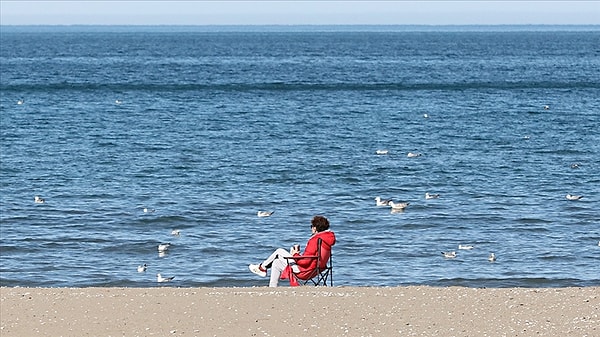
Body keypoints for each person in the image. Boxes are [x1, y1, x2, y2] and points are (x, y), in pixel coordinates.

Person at [249, 215, 336, 287]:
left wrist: (295, 254)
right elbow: (313, 258)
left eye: (311, 226)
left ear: (315, 228)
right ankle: (272, 288)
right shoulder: (326, 239)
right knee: (276, 262)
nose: (311, 229)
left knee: (279, 251)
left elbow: (305, 262)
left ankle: (262, 268)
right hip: (316, 270)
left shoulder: (315, 240)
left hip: (305, 271)